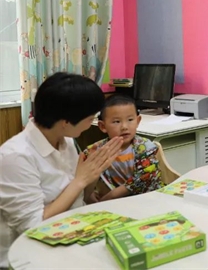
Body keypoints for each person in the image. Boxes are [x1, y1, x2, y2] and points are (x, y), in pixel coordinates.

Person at [0, 72, 123, 269]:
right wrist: (80, 181)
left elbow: (79, 198)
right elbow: (33, 226)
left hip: (70, 236)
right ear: (65, 122)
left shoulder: (65, 141)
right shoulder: (15, 157)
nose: (91, 123)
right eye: (90, 118)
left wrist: (94, 173)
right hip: (26, 256)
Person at [83, 94, 163, 202]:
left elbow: (144, 178)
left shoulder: (145, 148)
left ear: (138, 121)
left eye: (130, 120)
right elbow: (84, 179)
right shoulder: (95, 151)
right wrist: (90, 197)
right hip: (111, 205)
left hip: (145, 201)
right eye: (117, 121)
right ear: (103, 126)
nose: (124, 127)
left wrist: (111, 196)